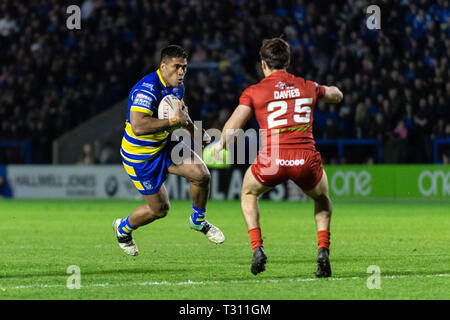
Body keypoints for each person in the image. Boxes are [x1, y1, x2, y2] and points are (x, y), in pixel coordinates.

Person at [214, 38, 343, 277]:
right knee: (322, 198)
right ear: (288, 61)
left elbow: (234, 125)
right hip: (305, 160)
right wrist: (331, 91)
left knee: (248, 193)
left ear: (263, 64)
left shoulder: (254, 92)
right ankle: (323, 250)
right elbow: (336, 95)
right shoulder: (307, 86)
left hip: (272, 160)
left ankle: (257, 248)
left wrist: (220, 144)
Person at [113, 45, 225, 256]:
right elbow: (138, 125)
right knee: (160, 210)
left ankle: (198, 221)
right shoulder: (147, 89)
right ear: (163, 66)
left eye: (184, 67)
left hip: (164, 145)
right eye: (176, 67)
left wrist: (196, 133)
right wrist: (173, 121)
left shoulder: (177, 86)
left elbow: (181, 115)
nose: (181, 72)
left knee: (201, 175)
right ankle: (123, 229)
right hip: (141, 156)